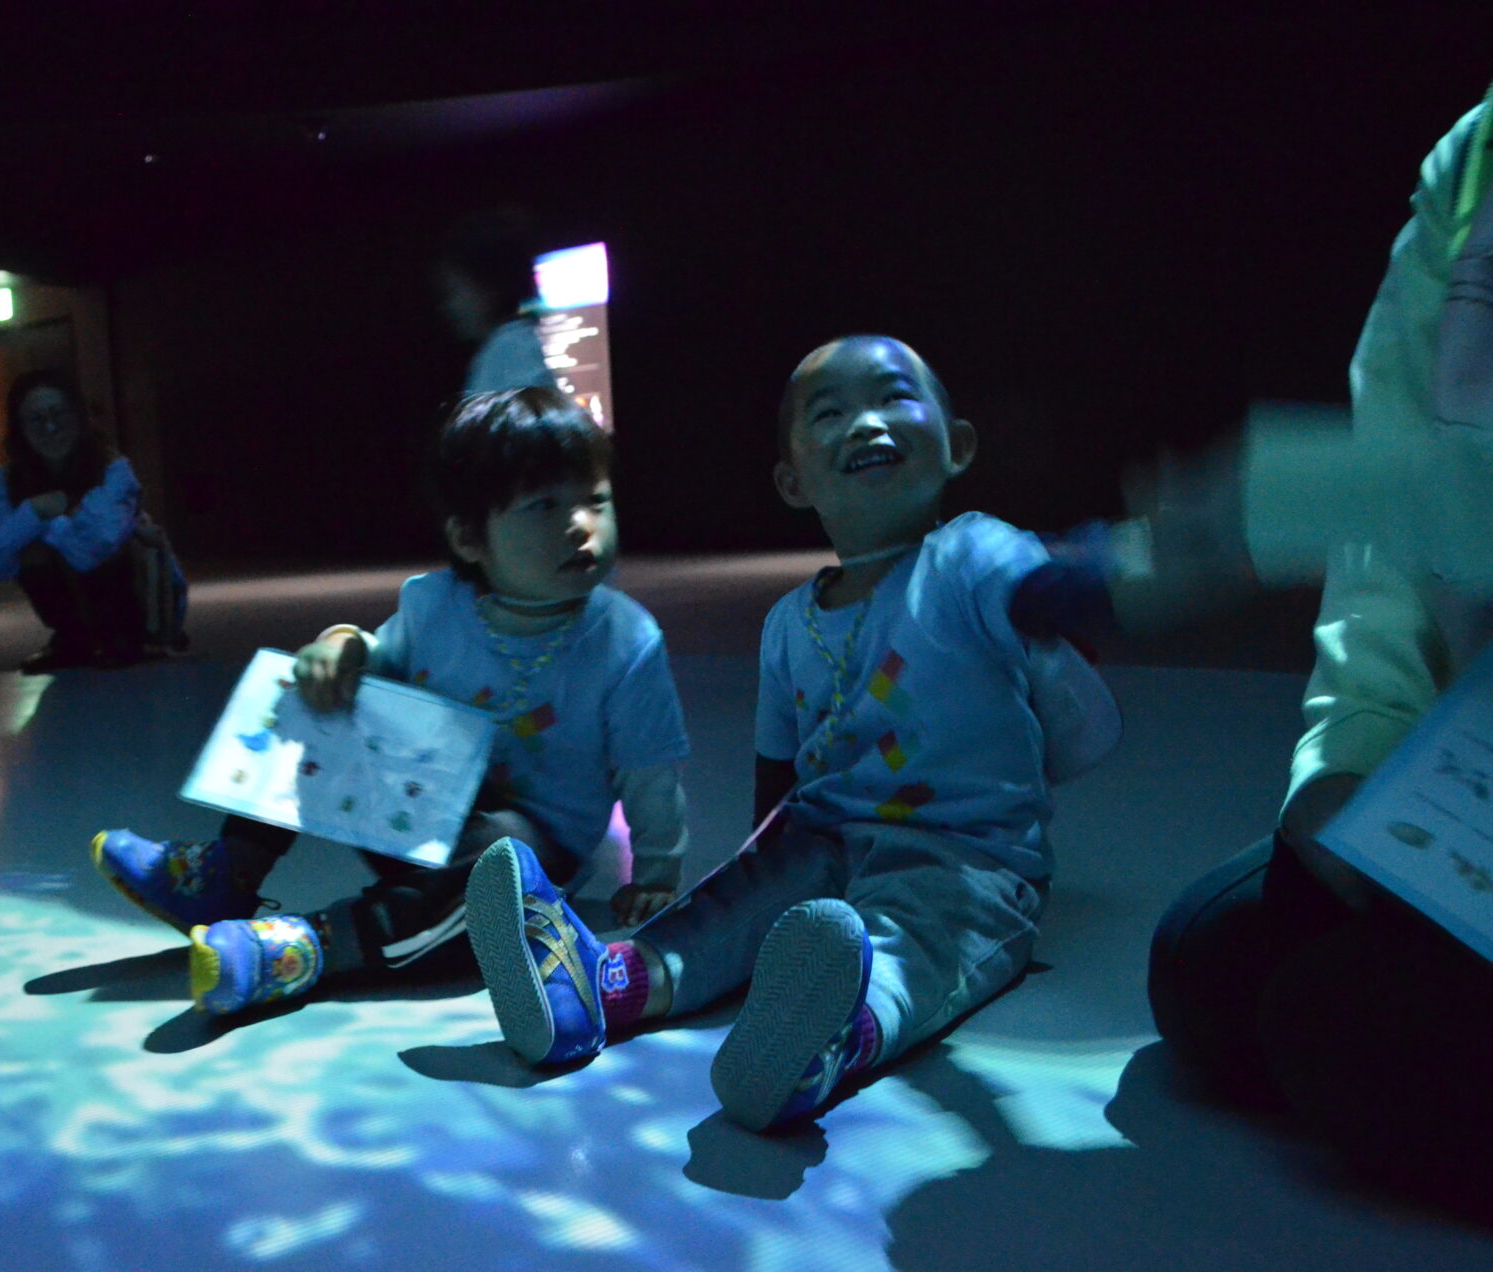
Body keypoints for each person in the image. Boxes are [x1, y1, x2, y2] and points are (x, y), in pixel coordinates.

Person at [465, 335, 1128, 1127]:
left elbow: (1045, 592)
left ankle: (832, 1037)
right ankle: (600, 986)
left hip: (965, 853)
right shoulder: (788, 623)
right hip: (821, 835)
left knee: (919, 947)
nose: (867, 421)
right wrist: (760, 880)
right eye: (831, 412)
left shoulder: (973, 555)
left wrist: (1101, 575)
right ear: (792, 480)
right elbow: (776, 771)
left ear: (957, 446)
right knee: (723, 913)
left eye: (894, 396)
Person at [1148, 91, 1493, 1217]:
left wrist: (1280, 497)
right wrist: (1354, 756)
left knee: (1358, 1046)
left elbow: (1396, 488)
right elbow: (1392, 496)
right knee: (1208, 969)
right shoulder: (1474, 154)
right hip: (1475, 756)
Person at [90, 387, 692, 1015]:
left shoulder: (625, 641)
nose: (580, 525)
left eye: (596, 500)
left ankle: (310, 947)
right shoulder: (434, 605)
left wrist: (656, 871)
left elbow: (649, 770)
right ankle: (226, 872)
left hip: (533, 860)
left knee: (503, 865)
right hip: (418, 809)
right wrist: (342, 646)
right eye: (544, 506)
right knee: (318, 696)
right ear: (469, 538)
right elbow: (375, 660)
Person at [0, 370, 186, 672]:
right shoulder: (6, 480)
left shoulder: (113, 469)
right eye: (35, 419)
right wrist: (35, 511)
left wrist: (51, 522)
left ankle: (123, 636)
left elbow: (95, 547)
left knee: (101, 544)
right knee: (33, 551)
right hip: (76, 580)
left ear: (78, 416)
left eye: (58, 414)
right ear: (20, 429)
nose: (50, 427)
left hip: (140, 603)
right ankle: (73, 639)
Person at [438, 209, 563, 395]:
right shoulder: (512, 347)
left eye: (454, 291)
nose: (449, 307)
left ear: (487, 286)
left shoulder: (509, 353)